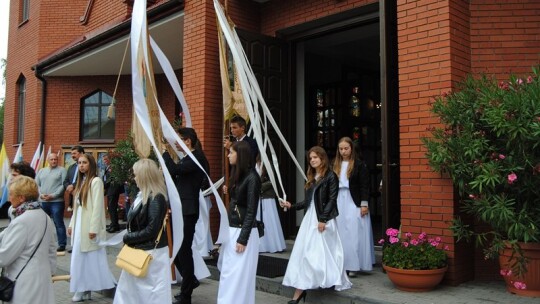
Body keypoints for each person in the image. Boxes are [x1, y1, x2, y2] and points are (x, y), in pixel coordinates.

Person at [280, 146, 351, 303]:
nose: (312, 160)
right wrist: (291, 206)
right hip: (309, 219)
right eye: (310, 158)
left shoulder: (331, 176)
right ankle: (300, 292)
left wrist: (323, 219)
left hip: (322, 220)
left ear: (322, 158)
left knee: (321, 254)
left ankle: (321, 282)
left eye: (315, 157)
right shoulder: (312, 177)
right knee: (306, 255)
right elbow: (308, 202)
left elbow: (332, 200)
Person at [113, 159, 171, 304]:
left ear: (144, 176)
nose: (134, 178)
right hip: (141, 250)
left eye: (136, 174)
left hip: (151, 254)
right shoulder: (143, 196)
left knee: (151, 294)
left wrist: (128, 237)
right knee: (131, 292)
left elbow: (152, 229)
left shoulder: (156, 198)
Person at [163, 127, 209, 304]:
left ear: (188, 140)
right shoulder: (190, 157)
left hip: (188, 210)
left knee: (183, 250)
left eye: (179, 139)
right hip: (180, 207)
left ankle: (186, 294)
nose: (177, 143)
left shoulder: (197, 158)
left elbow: (175, 170)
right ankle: (190, 280)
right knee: (176, 248)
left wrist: (164, 153)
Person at [0, 176, 57, 304]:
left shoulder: (22, 221)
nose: (9, 199)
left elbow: (4, 257)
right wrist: (51, 272)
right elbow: (52, 250)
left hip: (24, 283)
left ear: (22, 198)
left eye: (11, 195)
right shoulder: (44, 216)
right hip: (42, 280)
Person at [67, 153, 116, 302]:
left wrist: (94, 228)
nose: (81, 165)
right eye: (79, 163)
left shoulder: (96, 181)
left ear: (91, 165)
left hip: (88, 226)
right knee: (78, 258)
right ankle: (84, 289)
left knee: (86, 259)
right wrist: (71, 224)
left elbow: (97, 208)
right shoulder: (81, 182)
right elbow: (77, 207)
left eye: (84, 163)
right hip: (79, 225)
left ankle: (82, 289)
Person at [217, 141, 261, 304]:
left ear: (240, 155)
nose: (228, 155)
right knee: (229, 273)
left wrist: (243, 238)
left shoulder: (252, 178)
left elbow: (251, 210)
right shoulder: (238, 174)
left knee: (239, 276)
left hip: (244, 231)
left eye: (231, 152)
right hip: (233, 228)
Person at [333, 137, 374, 275]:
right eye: (341, 149)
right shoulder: (334, 165)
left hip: (353, 200)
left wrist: (364, 204)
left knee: (353, 231)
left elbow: (365, 186)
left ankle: (353, 265)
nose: (343, 151)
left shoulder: (359, 165)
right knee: (339, 231)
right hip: (338, 199)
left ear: (352, 149)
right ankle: (341, 262)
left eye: (346, 148)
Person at [36, 153, 68, 252]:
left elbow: (64, 185)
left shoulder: (62, 170)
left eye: (55, 159)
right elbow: (37, 184)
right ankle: (41, 244)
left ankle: (62, 244)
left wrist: (53, 196)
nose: (54, 161)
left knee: (58, 223)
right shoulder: (41, 171)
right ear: (48, 160)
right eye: (52, 159)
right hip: (43, 201)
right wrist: (40, 195)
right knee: (42, 224)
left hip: (56, 202)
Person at [256, 155, 286, 253]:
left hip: (267, 197)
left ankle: (273, 245)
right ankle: (261, 245)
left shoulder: (269, 166)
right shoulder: (254, 166)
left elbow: (272, 181)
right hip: (258, 198)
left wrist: (259, 187)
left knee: (269, 220)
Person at [103, 153, 123, 233]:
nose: (104, 161)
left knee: (112, 208)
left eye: (105, 159)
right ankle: (113, 224)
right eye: (103, 160)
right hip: (109, 190)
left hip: (113, 189)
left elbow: (111, 178)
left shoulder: (113, 167)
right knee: (110, 207)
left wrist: (103, 185)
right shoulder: (107, 167)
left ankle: (115, 226)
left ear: (110, 159)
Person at [64, 145, 85, 211]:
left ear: (81, 153)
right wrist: (69, 188)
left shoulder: (86, 166)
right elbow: (65, 181)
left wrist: (73, 186)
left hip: (83, 195)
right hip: (72, 197)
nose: (72, 155)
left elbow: (85, 178)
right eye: (71, 154)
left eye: (74, 153)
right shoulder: (71, 167)